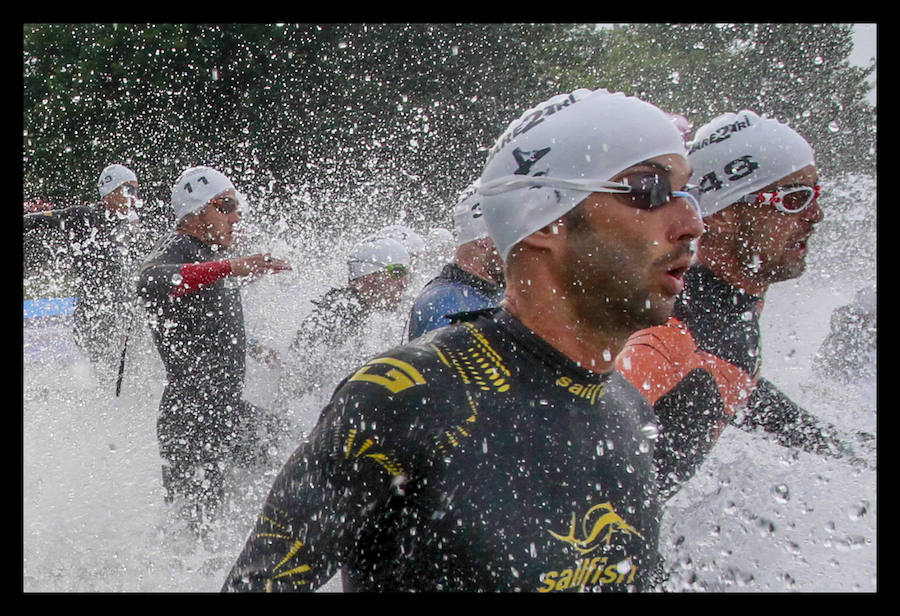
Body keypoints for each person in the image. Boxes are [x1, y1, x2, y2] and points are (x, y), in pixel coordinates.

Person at [222, 87, 704, 593]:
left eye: (688, 192)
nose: (693, 222)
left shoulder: (629, 411)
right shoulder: (403, 398)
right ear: (547, 217)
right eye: (649, 189)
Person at [616, 110, 862, 500]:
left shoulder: (727, 319)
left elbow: (742, 388)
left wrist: (850, 450)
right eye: (794, 200)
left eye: (816, 196)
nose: (816, 216)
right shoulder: (667, 337)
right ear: (725, 215)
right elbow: (564, 458)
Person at [136, 165, 292, 533]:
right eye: (226, 205)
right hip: (192, 419)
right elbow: (148, 282)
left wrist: (252, 347)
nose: (237, 216)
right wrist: (231, 266)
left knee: (296, 453)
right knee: (195, 534)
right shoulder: (178, 246)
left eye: (237, 206)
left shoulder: (207, 253)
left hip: (222, 411)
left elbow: (204, 322)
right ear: (196, 212)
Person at [23, 163, 148, 380]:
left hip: (124, 311)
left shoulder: (129, 223)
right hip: (93, 313)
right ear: (111, 191)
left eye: (136, 191)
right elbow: (39, 220)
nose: (134, 197)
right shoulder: (83, 216)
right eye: (129, 190)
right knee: (105, 374)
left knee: (133, 374)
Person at [277, 237, 412, 402]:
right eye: (397, 272)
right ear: (368, 276)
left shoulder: (362, 314)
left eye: (407, 274)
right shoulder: (336, 319)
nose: (404, 283)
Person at [406, 180, 505, 340]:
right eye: (515, 237)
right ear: (484, 238)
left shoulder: (480, 293)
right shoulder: (447, 303)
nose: (526, 250)